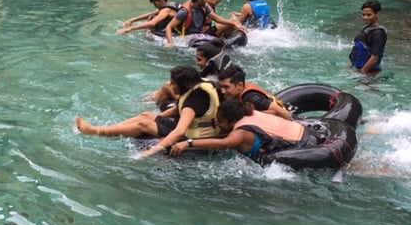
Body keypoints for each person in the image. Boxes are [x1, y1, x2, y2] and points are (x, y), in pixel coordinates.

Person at [76, 66, 220, 157]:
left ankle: (95, 131)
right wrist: (157, 118)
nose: (170, 85)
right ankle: (111, 128)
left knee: (143, 125)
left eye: (173, 84)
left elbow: (180, 131)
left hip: (194, 136)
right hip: (190, 127)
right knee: (146, 116)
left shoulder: (194, 101)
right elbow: (178, 108)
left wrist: (153, 150)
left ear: (183, 85)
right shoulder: (199, 85)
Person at [168, 99, 316, 161]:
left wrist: (188, 143)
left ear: (233, 121)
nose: (219, 125)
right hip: (306, 132)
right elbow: (275, 113)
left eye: (221, 122)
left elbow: (224, 143)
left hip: (302, 147)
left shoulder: (240, 133)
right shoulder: (251, 113)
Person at [218, 64, 291, 119]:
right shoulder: (235, 94)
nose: (222, 91)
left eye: (226, 87)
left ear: (240, 85)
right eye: (221, 87)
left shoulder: (251, 98)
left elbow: (284, 114)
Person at [349, 0, 387, 76]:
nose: (365, 17)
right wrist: (350, 67)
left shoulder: (378, 33)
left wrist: (363, 72)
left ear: (377, 14)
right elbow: (357, 51)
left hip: (369, 73)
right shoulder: (366, 28)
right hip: (360, 70)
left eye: (369, 15)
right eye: (363, 14)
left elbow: (375, 57)